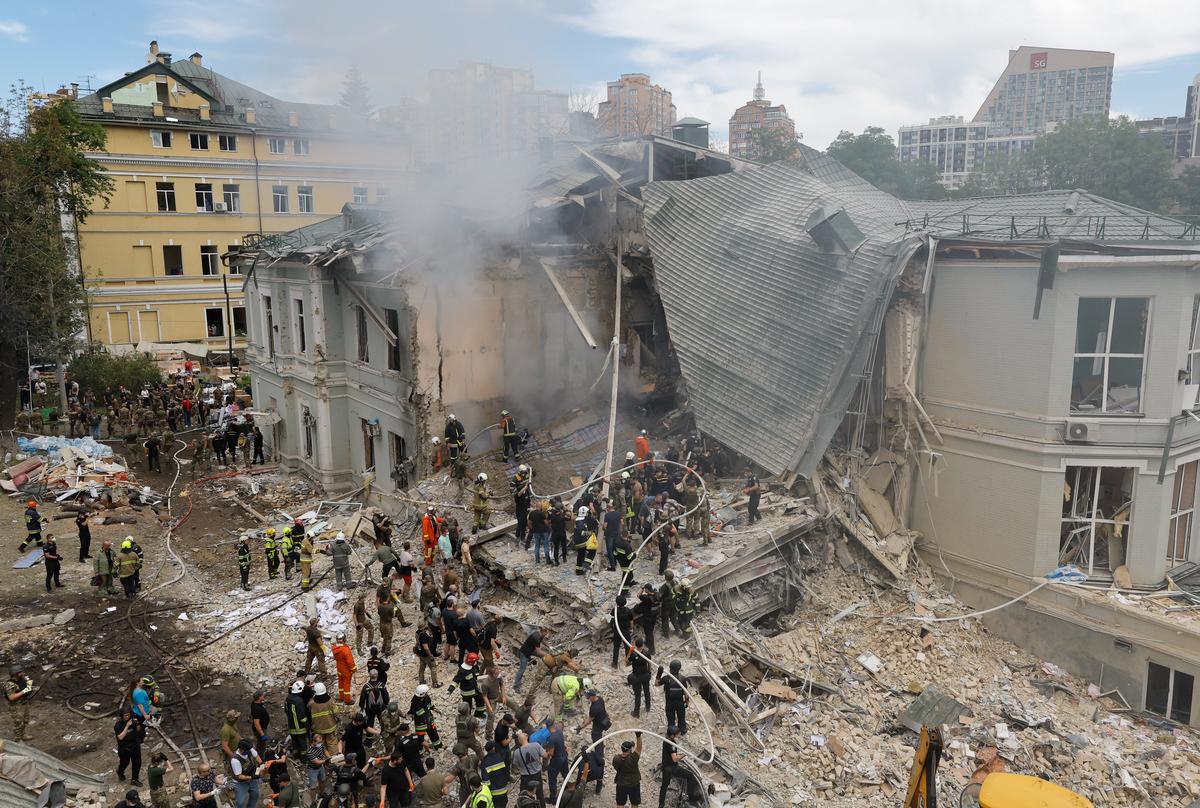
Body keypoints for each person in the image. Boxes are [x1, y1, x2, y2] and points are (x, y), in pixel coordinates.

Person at [512, 730, 547, 807]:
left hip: (525, 777)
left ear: (519, 741)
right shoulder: (536, 745)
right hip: (537, 775)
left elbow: (516, 766)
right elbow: (545, 755)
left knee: (523, 795)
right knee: (540, 794)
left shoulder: (517, 752)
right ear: (527, 737)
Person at [657, 661, 688, 736]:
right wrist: (687, 703)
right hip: (680, 703)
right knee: (681, 718)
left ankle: (671, 733)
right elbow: (686, 693)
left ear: (670, 668)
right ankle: (682, 731)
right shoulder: (682, 679)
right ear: (679, 668)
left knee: (671, 719)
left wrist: (659, 674)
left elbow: (656, 684)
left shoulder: (666, 678)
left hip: (670, 703)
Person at [115, 707, 146, 785]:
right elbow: (120, 737)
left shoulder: (133, 720)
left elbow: (139, 731)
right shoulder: (118, 725)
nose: (127, 717)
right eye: (125, 715)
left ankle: (134, 779)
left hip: (135, 746)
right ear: (121, 716)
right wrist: (127, 726)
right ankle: (120, 772)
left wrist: (137, 724)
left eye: (128, 715)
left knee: (137, 763)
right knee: (124, 763)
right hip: (124, 749)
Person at [657, 727, 686, 808]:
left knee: (664, 785)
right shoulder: (672, 744)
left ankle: (661, 804)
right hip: (670, 768)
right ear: (673, 736)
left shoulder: (666, 740)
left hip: (666, 766)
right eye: (677, 734)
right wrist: (684, 754)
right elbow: (675, 758)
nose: (679, 735)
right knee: (683, 776)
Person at [612, 732, 643, 808]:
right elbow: (639, 748)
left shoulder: (616, 758)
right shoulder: (633, 758)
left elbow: (616, 767)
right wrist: (638, 736)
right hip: (634, 784)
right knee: (634, 804)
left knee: (620, 804)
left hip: (621, 784)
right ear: (629, 750)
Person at [230, 738, 262, 808]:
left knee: (255, 795)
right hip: (240, 782)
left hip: (252, 777)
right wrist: (252, 777)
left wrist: (260, 764)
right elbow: (239, 776)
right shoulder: (235, 760)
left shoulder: (249, 749)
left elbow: (257, 757)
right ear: (241, 749)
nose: (249, 751)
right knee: (240, 802)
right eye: (247, 750)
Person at [308, 684, 339, 756]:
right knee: (332, 743)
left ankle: (323, 758)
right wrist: (338, 720)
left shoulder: (312, 703)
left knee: (321, 744)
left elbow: (308, 710)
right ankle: (334, 759)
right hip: (330, 727)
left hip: (318, 728)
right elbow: (336, 712)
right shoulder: (330, 701)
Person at [627, 638, 652, 717]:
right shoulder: (646, 653)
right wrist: (649, 672)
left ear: (636, 645)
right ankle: (648, 707)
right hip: (645, 675)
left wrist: (630, 651)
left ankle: (636, 713)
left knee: (637, 695)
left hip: (636, 677)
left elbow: (627, 662)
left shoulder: (634, 654)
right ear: (642, 645)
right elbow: (649, 663)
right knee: (647, 691)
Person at [285, 680, 311, 755]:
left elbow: (286, 711)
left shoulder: (288, 698)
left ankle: (296, 756)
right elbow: (302, 717)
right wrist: (307, 725)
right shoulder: (299, 701)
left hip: (292, 727)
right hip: (300, 728)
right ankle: (304, 760)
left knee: (295, 744)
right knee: (303, 746)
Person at [610, 595, 634, 669]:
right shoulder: (628, 611)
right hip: (625, 630)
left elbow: (611, 615)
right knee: (627, 646)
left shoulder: (615, 610)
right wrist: (631, 628)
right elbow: (631, 621)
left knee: (616, 647)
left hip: (617, 630)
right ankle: (628, 662)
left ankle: (614, 663)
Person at [511, 464, 532, 549]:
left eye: (525, 472)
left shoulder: (527, 474)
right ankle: (518, 535)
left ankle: (522, 535)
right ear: (519, 472)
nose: (524, 474)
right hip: (520, 501)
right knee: (521, 520)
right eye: (523, 472)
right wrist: (522, 488)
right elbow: (513, 491)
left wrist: (532, 471)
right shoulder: (515, 478)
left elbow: (532, 475)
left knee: (525, 519)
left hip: (527, 499)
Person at [332, 635, 356, 705]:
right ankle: (347, 700)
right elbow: (350, 661)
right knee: (346, 685)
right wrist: (354, 668)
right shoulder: (345, 649)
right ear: (344, 639)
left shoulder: (335, 648)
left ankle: (341, 697)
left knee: (341, 684)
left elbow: (335, 658)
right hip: (346, 670)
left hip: (339, 669)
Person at [250, 690, 271, 754]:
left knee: (262, 744)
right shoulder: (256, 709)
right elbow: (256, 723)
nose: (263, 696)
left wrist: (266, 693)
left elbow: (262, 695)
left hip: (262, 727)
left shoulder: (255, 702)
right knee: (261, 745)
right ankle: (260, 758)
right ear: (259, 698)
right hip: (260, 730)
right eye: (262, 696)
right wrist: (262, 734)